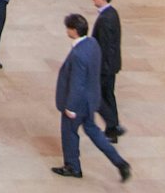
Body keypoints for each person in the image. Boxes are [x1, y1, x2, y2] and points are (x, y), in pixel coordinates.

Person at [53, 13, 131, 182]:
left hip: (78, 104)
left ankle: (73, 166)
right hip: (91, 101)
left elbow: (77, 83)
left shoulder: (78, 54)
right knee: (94, 133)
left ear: (73, 31)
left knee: (69, 133)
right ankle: (120, 163)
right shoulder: (92, 44)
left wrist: (70, 107)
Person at [90, 0, 125, 140]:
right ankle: (112, 130)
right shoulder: (112, 13)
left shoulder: (105, 19)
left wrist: (97, 66)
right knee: (108, 95)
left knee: (97, 96)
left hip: (105, 67)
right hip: (111, 65)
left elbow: (103, 46)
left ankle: (114, 125)